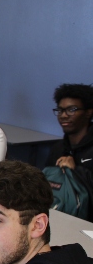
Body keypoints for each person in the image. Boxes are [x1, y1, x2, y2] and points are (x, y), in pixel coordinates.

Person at [46, 83, 93, 219]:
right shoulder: (58, 148)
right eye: (60, 110)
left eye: (71, 110)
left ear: (88, 112)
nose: (63, 116)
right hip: (58, 213)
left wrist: (75, 171)